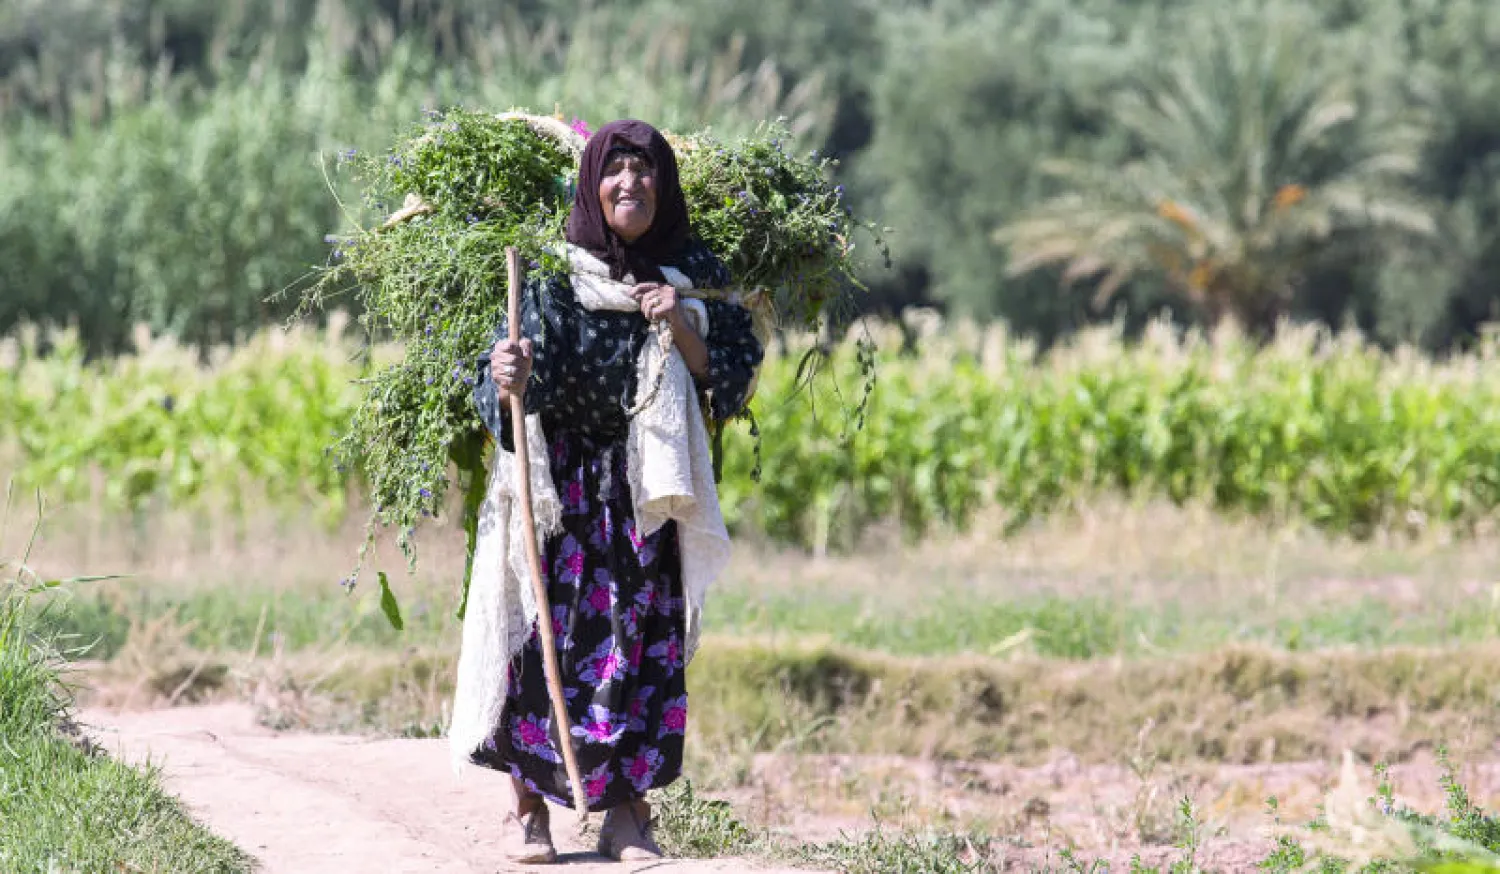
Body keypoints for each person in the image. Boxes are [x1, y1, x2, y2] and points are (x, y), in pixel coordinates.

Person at [453, 119, 763, 865]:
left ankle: (628, 816)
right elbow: (493, 389)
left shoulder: (693, 273)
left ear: (665, 185)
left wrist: (679, 323)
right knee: (538, 638)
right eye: (615, 170)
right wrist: (506, 376)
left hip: (644, 491)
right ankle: (529, 814)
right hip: (558, 493)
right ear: (591, 186)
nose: (631, 183)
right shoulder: (551, 276)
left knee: (639, 646)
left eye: (645, 170)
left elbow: (732, 374)